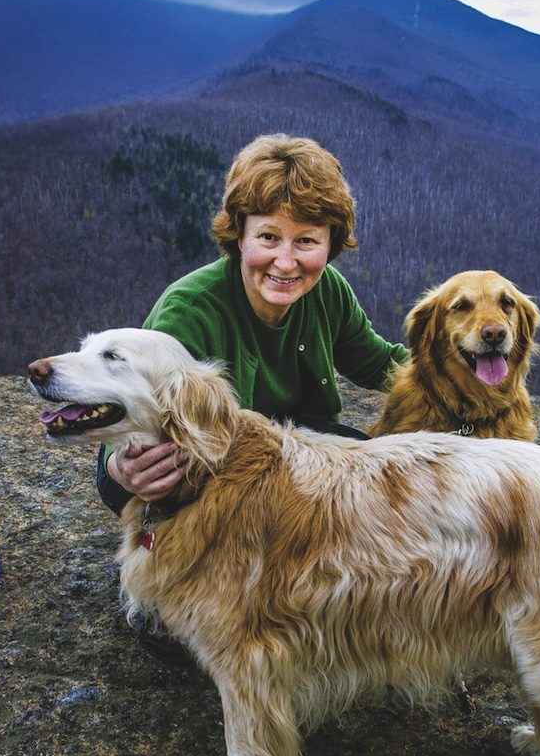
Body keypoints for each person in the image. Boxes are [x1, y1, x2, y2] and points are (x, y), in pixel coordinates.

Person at [97, 132, 408, 521]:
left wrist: (470, 373)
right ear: (239, 234)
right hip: (203, 460)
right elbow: (134, 398)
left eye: (307, 241)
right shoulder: (190, 311)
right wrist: (118, 466)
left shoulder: (327, 290)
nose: (285, 261)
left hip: (294, 445)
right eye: (269, 237)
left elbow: (381, 363)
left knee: (378, 478)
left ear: (332, 244)